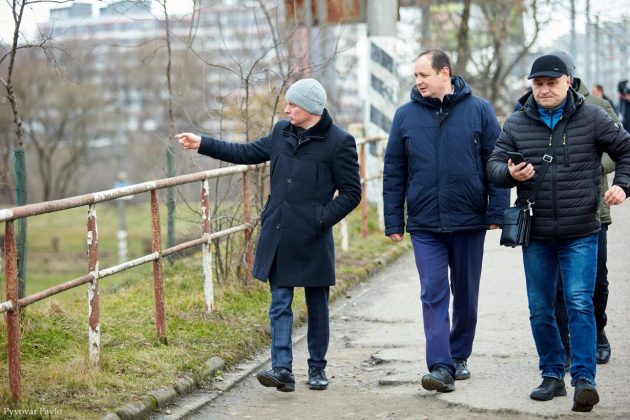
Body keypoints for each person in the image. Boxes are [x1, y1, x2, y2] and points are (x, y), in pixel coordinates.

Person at [176, 78, 361, 392]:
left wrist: (321, 219)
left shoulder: (339, 142)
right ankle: (282, 370)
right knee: (279, 303)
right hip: (279, 234)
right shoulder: (280, 133)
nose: (287, 109)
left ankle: (317, 369)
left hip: (314, 238)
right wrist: (203, 143)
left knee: (317, 307)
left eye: (293, 105)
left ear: (312, 109)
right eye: (287, 104)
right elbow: (246, 152)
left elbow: (352, 192)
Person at [488, 54, 630, 412]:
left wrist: (623, 187)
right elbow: (492, 164)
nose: (545, 89)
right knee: (540, 308)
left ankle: (584, 379)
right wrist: (510, 175)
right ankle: (552, 375)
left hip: (581, 230)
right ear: (531, 86)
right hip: (535, 233)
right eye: (538, 84)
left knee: (580, 303)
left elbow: (626, 151)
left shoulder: (593, 117)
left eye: (552, 83)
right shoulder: (517, 124)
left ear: (568, 82)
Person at [383, 49, 509, 393]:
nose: (418, 81)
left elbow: (495, 160)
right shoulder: (405, 116)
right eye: (415, 76)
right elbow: (394, 170)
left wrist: (497, 211)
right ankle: (440, 366)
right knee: (433, 292)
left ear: (445, 73)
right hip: (424, 223)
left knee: (466, 294)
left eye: (424, 74)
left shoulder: (479, 110)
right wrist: (394, 219)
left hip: (469, 219)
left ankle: (459, 354)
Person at [546, 50, 618, 368]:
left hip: (593, 208)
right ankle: (563, 343)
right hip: (553, 210)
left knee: (595, 281)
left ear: (570, 77)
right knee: (560, 284)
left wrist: (587, 167)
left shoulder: (598, 107)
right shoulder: (541, 106)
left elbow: (616, 152)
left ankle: (598, 331)